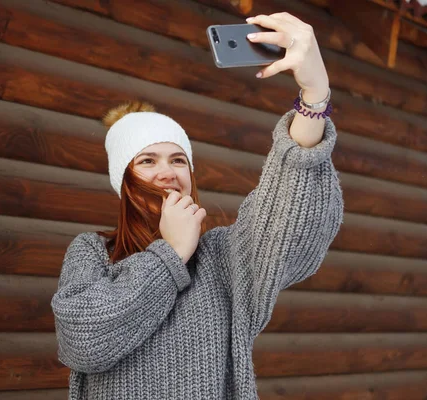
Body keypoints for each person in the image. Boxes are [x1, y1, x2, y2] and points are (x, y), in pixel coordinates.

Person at [52, 12, 343, 400]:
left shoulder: (223, 257)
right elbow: (83, 342)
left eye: (178, 160)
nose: (168, 172)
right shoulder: (92, 254)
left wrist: (314, 97)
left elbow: (288, 216)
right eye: (147, 161)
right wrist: (170, 255)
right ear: (123, 181)